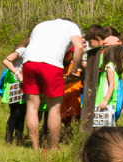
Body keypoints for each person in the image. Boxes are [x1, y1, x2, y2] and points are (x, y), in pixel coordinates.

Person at [22, 18, 84, 151]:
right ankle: (54, 147)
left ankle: (35, 148)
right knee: (54, 109)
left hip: (29, 62)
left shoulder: (41, 24)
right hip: (51, 65)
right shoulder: (72, 26)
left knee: (32, 107)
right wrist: (74, 69)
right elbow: (79, 47)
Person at [1, 37, 30, 144]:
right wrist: (17, 73)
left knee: (22, 113)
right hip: (15, 84)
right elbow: (6, 60)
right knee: (15, 113)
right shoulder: (23, 50)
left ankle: (19, 139)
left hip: (24, 85)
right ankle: (8, 139)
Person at [94, 36, 123, 117]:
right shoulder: (115, 65)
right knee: (108, 125)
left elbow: (111, 85)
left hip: (104, 99)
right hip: (110, 99)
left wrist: (105, 101)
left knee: (102, 126)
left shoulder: (109, 66)